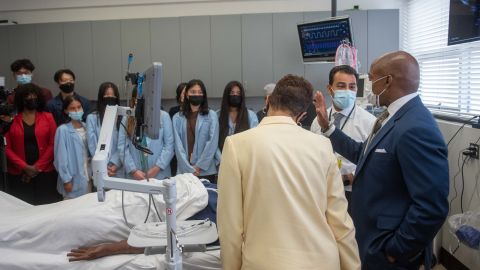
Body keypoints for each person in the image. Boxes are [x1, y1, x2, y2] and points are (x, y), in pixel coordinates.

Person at [314, 51, 449, 270]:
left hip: (389, 247)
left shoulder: (416, 127)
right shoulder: (390, 117)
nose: (368, 86)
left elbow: (431, 206)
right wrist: (329, 128)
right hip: (371, 236)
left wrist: (397, 250)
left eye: (371, 78)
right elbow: (363, 155)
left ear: (387, 81)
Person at [217, 74, 360, 270]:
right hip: (321, 262)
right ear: (302, 115)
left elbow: (230, 227)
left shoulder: (236, 145)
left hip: (264, 263)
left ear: (268, 101)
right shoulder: (322, 146)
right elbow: (340, 222)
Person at [311, 65, 376, 207]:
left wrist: (345, 179)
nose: (347, 91)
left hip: (353, 192)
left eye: (352, 87)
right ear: (330, 89)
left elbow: (371, 163)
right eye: (341, 86)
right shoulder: (317, 121)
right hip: (322, 190)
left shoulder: (369, 122)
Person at [4, 83, 61, 205]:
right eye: (28, 96)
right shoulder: (11, 120)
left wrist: (37, 167)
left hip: (45, 172)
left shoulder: (48, 117)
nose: (31, 98)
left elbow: (53, 144)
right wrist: (25, 167)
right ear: (21, 99)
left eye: (34, 95)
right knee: (23, 208)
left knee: (47, 207)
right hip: (19, 173)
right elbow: (6, 148)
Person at [118, 89, 175, 180]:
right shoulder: (127, 119)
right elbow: (122, 147)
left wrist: (157, 167)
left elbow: (169, 146)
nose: (142, 102)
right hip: (135, 176)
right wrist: (133, 170)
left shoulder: (163, 117)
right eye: (138, 98)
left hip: (159, 174)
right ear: (134, 99)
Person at [172, 79, 219, 183]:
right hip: (184, 171)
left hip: (206, 171)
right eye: (193, 92)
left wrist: (199, 166)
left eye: (200, 92)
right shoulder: (177, 117)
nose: (196, 94)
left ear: (204, 95)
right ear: (187, 95)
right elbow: (178, 146)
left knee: (207, 198)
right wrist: (188, 168)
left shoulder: (211, 115)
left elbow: (212, 143)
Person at [54, 96, 91, 199]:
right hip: (72, 180)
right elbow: (60, 159)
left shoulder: (87, 127)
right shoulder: (63, 130)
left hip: (88, 176)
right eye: (72, 108)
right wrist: (66, 180)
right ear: (66, 111)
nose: (76, 110)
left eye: (79, 107)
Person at [86, 82, 123, 178]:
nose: (110, 97)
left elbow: (124, 144)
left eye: (113, 95)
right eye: (106, 94)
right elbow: (92, 144)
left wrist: (116, 163)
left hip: (118, 167)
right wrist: (103, 165)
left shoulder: (122, 118)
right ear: (101, 96)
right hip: (99, 166)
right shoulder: (92, 118)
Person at [217, 80, 258, 152]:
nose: (235, 95)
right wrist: (221, 159)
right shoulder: (217, 115)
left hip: (243, 159)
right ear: (226, 95)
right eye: (232, 93)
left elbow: (254, 141)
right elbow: (214, 143)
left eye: (238, 93)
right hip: (221, 160)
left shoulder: (251, 116)